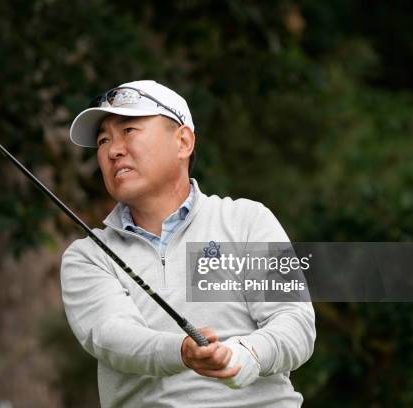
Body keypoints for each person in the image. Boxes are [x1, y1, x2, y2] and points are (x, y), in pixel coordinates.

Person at [60, 80, 315, 407]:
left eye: (129, 131)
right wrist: (182, 351)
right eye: (103, 140)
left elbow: (294, 323)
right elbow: (113, 336)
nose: (113, 150)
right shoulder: (88, 256)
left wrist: (250, 352)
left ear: (183, 141)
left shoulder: (246, 221)